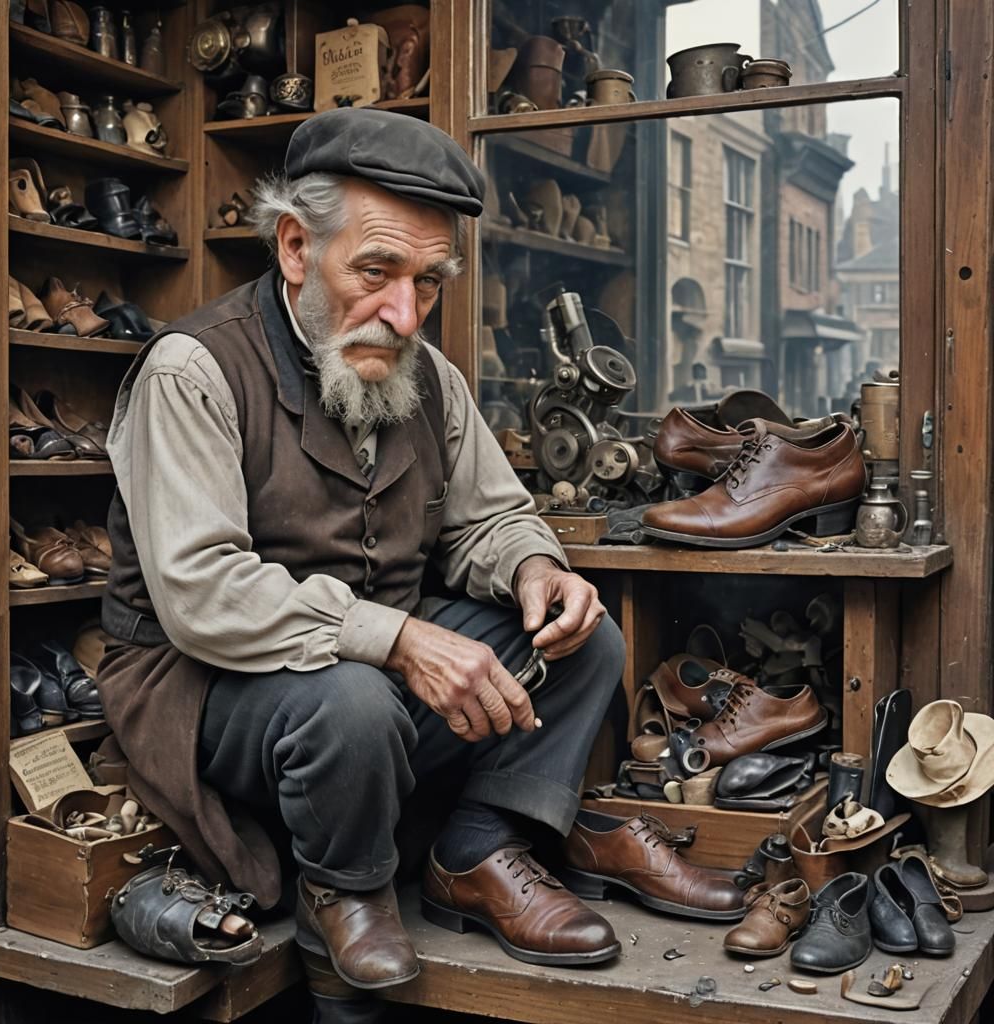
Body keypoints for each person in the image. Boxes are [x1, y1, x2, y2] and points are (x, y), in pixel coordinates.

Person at [96, 109, 627, 1022]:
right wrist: (400, 639)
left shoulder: (430, 374)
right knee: (351, 698)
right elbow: (201, 594)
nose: (405, 311)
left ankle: (475, 851)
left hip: (365, 701)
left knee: (586, 641)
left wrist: (535, 566)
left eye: (429, 281)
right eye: (376, 272)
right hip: (205, 695)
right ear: (296, 248)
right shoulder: (193, 370)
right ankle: (340, 897)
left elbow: (488, 518)